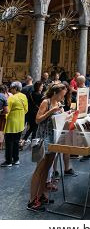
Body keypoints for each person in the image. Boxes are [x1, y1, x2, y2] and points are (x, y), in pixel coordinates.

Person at [28, 83, 66, 212]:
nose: (63, 97)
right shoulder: (46, 102)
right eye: (62, 94)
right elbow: (37, 120)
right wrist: (51, 111)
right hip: (43, 139)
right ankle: (32, 200)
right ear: (56, 93)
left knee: (47, 168)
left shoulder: (59, 104)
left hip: (54, 139)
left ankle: (41, 195)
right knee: (39, 169)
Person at [1, 82, 28, 168]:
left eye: (11, 88)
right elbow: (26, 109)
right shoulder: (23, 96)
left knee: (9, 142)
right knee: (16, 141)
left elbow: (7, 112)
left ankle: (8, 161)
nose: (10, 89)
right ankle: (16, 159)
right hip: (20, 122)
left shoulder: (12, 98)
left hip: (12, 123)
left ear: (15, 88)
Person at [20, 81, 44, 148]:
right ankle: (32, 142)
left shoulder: (31, 94)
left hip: (29, 113)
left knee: (32, 127)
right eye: (41, 86)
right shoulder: (40, 96)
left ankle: (23, 140)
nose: (42, 87)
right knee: (34, 128)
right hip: (36, 113)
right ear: (38, 87)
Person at [0, 85, 8, 150]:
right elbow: (6, 111)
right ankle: (0, 145)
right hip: (1, 117)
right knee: (1, 131)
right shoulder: (3, 97)